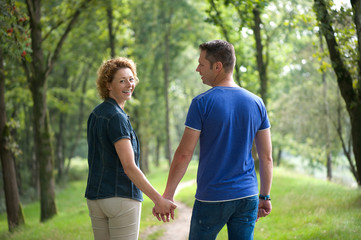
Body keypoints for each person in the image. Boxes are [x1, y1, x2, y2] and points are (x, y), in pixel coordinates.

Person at [153, 40, 273, 240]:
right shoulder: (257, 103)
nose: (197, 68)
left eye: (201, 63)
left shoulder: (202, 103)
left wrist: (168, 195)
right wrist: (264, 196)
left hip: (212, 198)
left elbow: (184, 154)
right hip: (247, 196)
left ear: (217, 66)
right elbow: (266, 156)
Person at [85, 57, 176, 240]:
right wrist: (158, 199)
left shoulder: (95, 114)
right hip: (121, 198)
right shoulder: (117, 118)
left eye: (131, 78)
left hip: (96, 198)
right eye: (122, 80)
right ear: (108, 85)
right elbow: (129, 166)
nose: (129, 84)